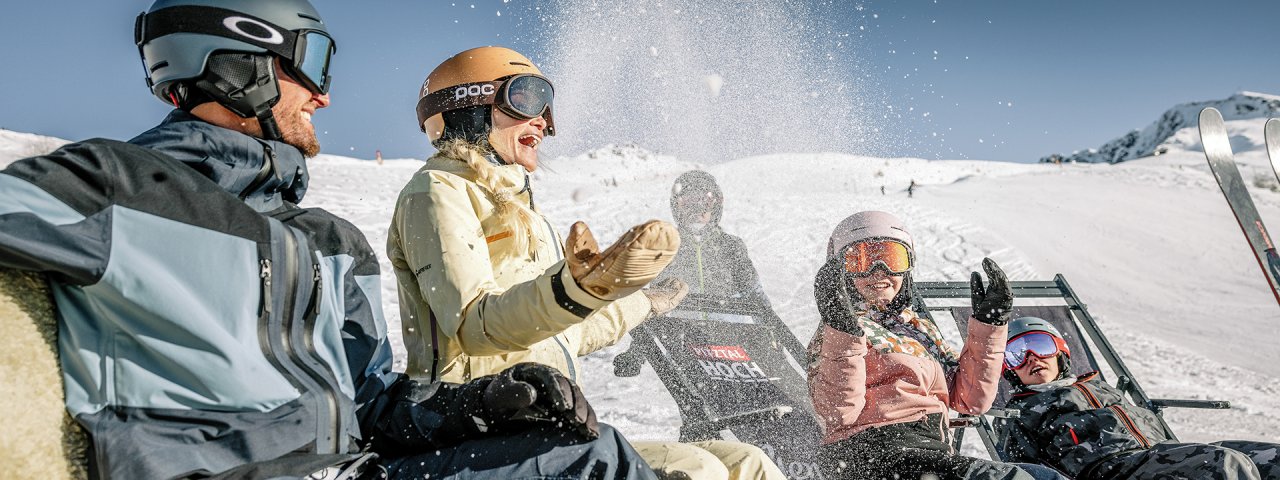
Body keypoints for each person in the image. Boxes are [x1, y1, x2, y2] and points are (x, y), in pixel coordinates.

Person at [0, 2, 656, 478]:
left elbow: (371, 405)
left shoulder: (329, 241)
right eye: (311, 65)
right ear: (234, 64)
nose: (324, 97)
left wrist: (480, 405)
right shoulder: (117, 189)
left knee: (599, 456)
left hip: (357, 470)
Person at [392, 46, 784, 480]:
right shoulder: (436, 191)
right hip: (474, 427)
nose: (543, 119)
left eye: (548, 105)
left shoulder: (525, 212)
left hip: (547, 426)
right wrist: (573, 289)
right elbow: (474, 324)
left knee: (746, 461)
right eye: (525, 98)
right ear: (468, 107)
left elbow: (568, 332)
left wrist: (644, 303)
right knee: (697, 469)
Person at [806, 211, 1058, 480]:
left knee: (1043, 476)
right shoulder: (836, 333)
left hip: (931, 452)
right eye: (862, 259)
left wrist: (989, 327)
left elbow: (972, 400)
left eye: (892, 258)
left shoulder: (918, 329)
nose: (879, 270)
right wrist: (842, 328)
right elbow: (837, 414)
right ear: (840, 271)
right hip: (872, 455)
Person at [997, 317, 1280, 479]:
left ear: (1060, 352)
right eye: (1016, 355)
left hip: (1162, 452)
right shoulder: (1021, 412)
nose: (1031, 358)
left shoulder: (1100, 387)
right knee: (1223, 464)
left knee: (1273, 459)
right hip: (1116, 471)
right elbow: (1025, 470)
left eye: (1039, 345)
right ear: (1009, 371)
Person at [657, 170, 767, 303]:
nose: (696, 210)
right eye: (688, 202)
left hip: (729, 323)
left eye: (705, 201)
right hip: (677, 322)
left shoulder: (731, 246)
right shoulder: (664, 247)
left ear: (715, 206)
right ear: (677, 207)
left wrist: (769, 323)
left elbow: (756, 296)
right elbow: (647, 300)